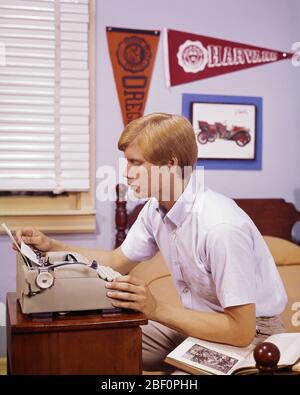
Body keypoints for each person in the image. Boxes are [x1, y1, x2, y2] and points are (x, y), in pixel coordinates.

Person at [15, 113, 287, 374]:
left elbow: (241, 330)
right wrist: (53, 246)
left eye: (136, 163)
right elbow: (117, 261)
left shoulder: (220, 227)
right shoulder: (155, 209)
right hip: (195, 323)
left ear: (170, 164)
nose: (126, 173)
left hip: (252, 336)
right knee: (94, 339)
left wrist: (157, 309)